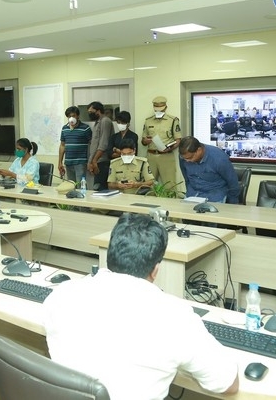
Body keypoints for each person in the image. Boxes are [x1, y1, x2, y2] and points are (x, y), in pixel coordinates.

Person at [43, 213, 239, 400]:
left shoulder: (62, 295)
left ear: (110, 255)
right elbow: (228, 384)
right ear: (156, 270)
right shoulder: (175, 317)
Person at [178, 136, 240, 203]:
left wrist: (232, 204)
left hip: (214, 196)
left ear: (199, 150)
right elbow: (187, 179)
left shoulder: (219, 159)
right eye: (184, 158)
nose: (187, 161)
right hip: (192, 194)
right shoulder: (184, 157)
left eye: (190, 158)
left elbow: (233, 183)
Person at [141, 96, 182, 188]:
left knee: (170, 185)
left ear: (165, 107)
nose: (158, 111)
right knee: (148, 184)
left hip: (166, 156)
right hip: (151, 156)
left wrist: (168, 149)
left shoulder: (173, 120)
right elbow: (143, 140)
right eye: (156, 109)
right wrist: (145, 141)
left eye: (160, 109)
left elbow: (178, 140)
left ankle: (171, 202)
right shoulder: (148, 121)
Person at [58, 106, 92, 184]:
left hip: (80, 162)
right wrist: (60, 162)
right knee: (71, 185)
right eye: (69, 116)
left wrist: (91, 161)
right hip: (68, 162)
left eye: (73, 116)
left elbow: (91, 144)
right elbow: (62, 145)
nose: (71, 118)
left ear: (78, 116)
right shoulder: (64, 128)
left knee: (81, 185)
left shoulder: (85, 128)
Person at [87, 101, 114, 191]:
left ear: (98, 110)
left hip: (103, 161)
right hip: (97, 160)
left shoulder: (105, 121)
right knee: (97, 188)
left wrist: (94, 161)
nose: (90, 114)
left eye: (91, 112)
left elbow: (103, 144)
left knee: (101, 188)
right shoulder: (97, 122)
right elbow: (94, 144)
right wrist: (90, 162)